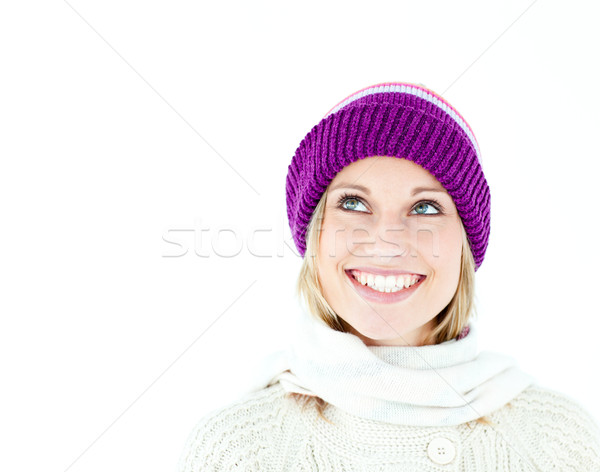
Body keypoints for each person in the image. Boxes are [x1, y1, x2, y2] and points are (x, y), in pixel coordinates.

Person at [176, 82, 600, 471]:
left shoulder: (556, 441)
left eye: (426, 208)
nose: (388, 242)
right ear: (314, 236)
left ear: (464, 247)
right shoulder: (238, 448)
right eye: (354, 203)